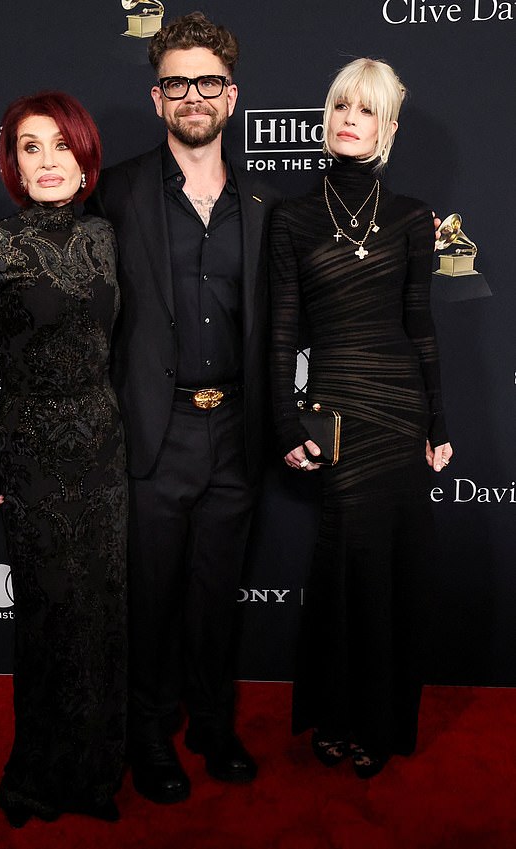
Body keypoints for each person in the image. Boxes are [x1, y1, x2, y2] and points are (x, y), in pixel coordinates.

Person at [0, 13, 279, 805]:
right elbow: (44, 253)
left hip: (237, 428)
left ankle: (212, 723)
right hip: (146, 430)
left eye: (207, 82)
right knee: (150, 599)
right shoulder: (119, 192)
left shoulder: (268, 207)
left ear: (231, 97)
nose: (191, 96)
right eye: (175, 83)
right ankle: (150, 735)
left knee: (214, 592)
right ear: (156, 96)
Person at [0, 91, 127, 826]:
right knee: (47, 617)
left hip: (107, 452)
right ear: (13, 162)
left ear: (85, 159)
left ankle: (96, 775)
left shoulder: (109, 236)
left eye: (61, 145)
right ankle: (36, 778)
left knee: (103, 617)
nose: (48, 161)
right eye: (30, 146)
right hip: (33, 452)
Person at [269, 58, 453, 779]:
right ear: (327, 114)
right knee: (346, 562)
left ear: (389, 128)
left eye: (368, 110)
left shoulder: (410, 216)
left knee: (389, 571)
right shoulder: (291, 216)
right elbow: (282, 333)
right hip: (337, 410)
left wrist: (437, 423)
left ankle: (377, 721)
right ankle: (338, 712)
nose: (351, 117)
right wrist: (285, 422)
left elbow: (422, 324)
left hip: (400, 410)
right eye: (342, 104)